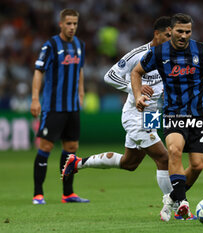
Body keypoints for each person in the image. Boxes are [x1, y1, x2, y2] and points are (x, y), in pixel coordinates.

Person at [62, 16, 188, 221]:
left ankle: (78, 163)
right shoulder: (138, 54)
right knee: (164, 158)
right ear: (157, 34)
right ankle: (176, 207)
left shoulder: (171, 56)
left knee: (130, 163)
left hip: (152, 113)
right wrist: (134, 89)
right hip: (134, 114)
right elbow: (109, 76)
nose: (172, 38)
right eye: (168, 34)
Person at [131, 13, 203, 221]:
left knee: (198, 165)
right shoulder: (158, 53)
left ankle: (173, 198)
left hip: (200, 114)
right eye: (180, 31)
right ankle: (183, 203)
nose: (184, 35)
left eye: (188, 32)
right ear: (170, 31)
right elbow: (136, 72)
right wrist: (138, 95)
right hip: (174, 112)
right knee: (174, 150)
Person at [30, 9, 89, 204]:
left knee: (72, 147)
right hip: (53, 106)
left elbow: (79, 70)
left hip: (72, 106)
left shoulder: (80, 45)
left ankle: (68, 193)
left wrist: (81, 92)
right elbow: (39, 71)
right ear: (61, 24)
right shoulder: (50, 45)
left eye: (75, 24)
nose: (72, 27)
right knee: (46, 146)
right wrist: (35, 99)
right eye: (69, 23)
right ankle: (38, 193)